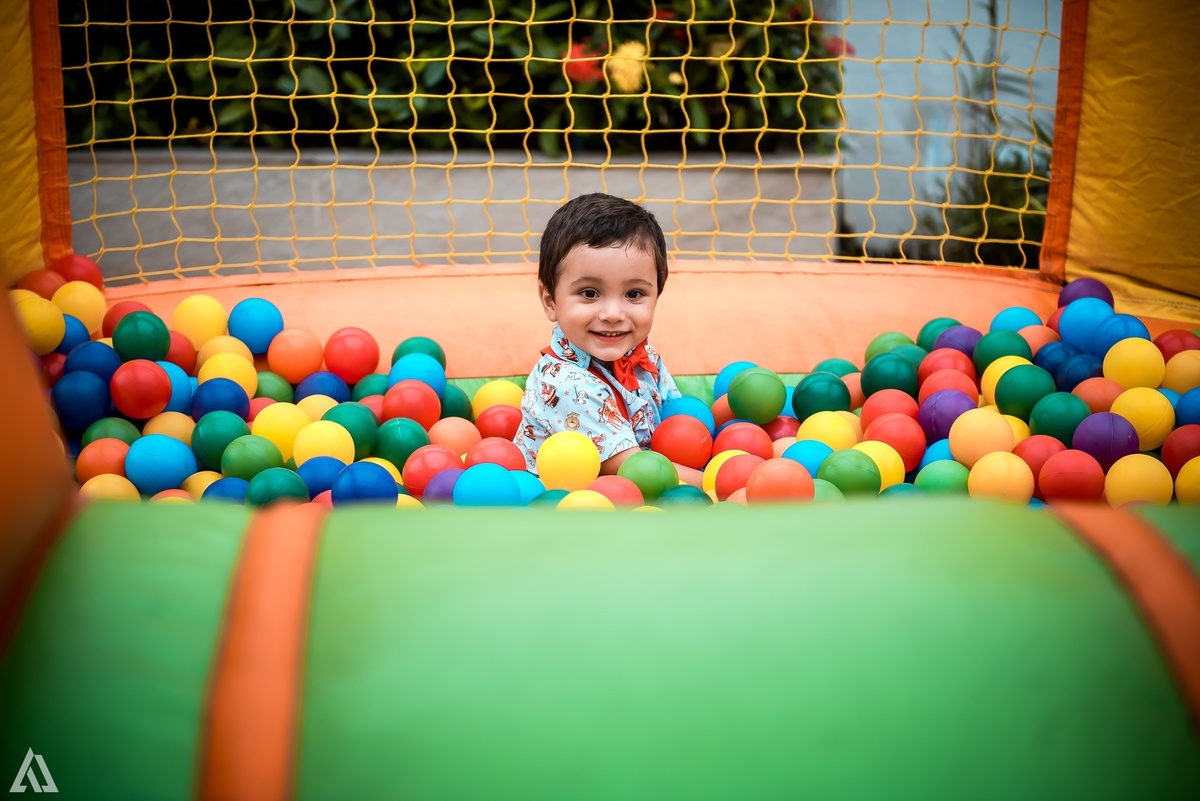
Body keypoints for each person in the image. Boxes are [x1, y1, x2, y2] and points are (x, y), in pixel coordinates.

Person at [514, 192, 704, 488]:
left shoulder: (644, 357)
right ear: (551, 301)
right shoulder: (567, 384)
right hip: (566, 505)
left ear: (657, 296)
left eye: (634, 294)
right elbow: (631, 466)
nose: (613, 314)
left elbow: (677, 422)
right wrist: (720, 482)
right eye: (589, 293)